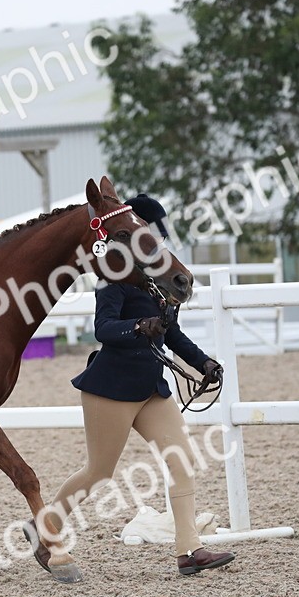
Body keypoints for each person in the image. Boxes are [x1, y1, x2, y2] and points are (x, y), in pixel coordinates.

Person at [42, 196, 235, 576]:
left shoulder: (161, 284)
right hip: (110, 390)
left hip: (151, 389)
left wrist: (204, 363)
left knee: (182, 461)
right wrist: (138, 327)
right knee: (99, 472)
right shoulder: (113, 279)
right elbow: (103, 329)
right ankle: (47, 525)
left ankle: (189, 550)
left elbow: (172, 335)